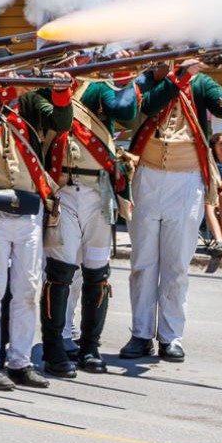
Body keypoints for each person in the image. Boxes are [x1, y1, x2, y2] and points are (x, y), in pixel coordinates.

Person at [120, 57, 222, 363]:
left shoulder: (201, 83)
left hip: (187, 179)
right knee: (142, 261)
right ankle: (141, 334)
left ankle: (171, 336)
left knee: (177, 263)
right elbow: (147, 107)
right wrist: (178, 76)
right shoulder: (148, 79)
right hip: (148, 175)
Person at [0, 63, 73, 391]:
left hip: (28, 209)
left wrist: (59, 90)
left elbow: (60, 120)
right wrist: (2, 88)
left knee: (28, 290)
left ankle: (21, 360)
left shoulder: (28, 103)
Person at [40, 67, 137, 377]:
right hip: (64, 188)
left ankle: (90, 346)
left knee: (97, 271)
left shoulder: (98, 87)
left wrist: (121, 75)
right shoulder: (45, 89)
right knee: (61, 270)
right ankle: (55, 346)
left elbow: (125, 111)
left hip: (99, 189)